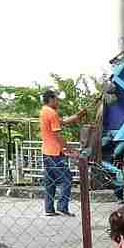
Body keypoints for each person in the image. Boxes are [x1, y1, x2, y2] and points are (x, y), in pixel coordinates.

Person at [39, 89, 86, 217]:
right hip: (55, 153)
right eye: (56, 99)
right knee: (67, 179)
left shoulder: (44, 111)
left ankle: (49, 209)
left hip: (46, 151)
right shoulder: (52, 113)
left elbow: (63, 122)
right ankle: (62, 207)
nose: (58, 101)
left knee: (50, 181)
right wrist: (70, 150)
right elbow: (57, 135)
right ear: (51, 99)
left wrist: (77, 116)